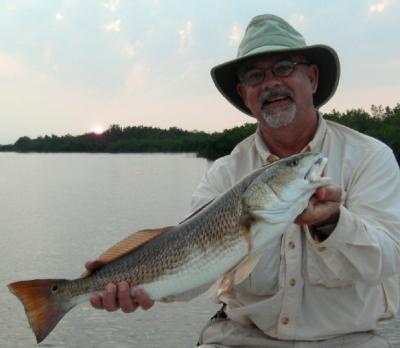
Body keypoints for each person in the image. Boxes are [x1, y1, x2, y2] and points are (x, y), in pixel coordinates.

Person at [86, 14, 400, 347]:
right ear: (244, 94)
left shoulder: (369, 157)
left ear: (312, 77)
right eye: (255, 76)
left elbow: (389, 258)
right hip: (241, 337)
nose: (269, 83)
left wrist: (333, 223)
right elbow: (191, 270)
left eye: (283, 67)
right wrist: (136, 287)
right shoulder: (224, 174)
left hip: (348, 339)